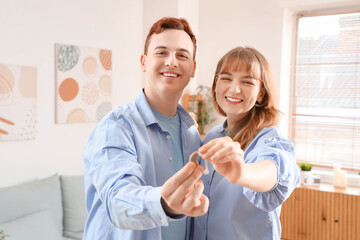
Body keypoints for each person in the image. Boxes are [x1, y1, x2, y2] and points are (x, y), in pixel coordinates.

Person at [83, 17, 209, 240]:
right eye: (161, 53)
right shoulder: (115, 128)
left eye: (182, 55)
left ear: (193, 69)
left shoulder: (191, 133)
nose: (172, 62)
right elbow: (118, 199)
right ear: (143, 62)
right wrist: (165, 203)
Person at [191, 46, 300, 240]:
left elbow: (272, 172)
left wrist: (241, 172)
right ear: (216, 84)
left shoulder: (270, 140)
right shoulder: (213, 136)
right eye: (226, 78)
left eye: (247, 82)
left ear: (260, 94)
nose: (234, 88)